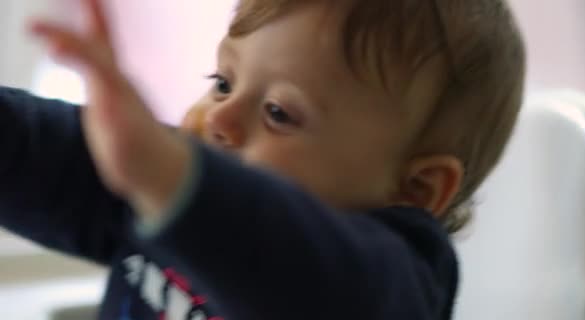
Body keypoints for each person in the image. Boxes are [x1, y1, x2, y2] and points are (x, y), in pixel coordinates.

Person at [0, 0, 525, 319]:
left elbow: (308, 275)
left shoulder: (393, 286)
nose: (218, 119)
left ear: (414, 190)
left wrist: (171, 179)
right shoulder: (181, 194)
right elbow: (56, 159)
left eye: (278, 112)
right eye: (223, 83)